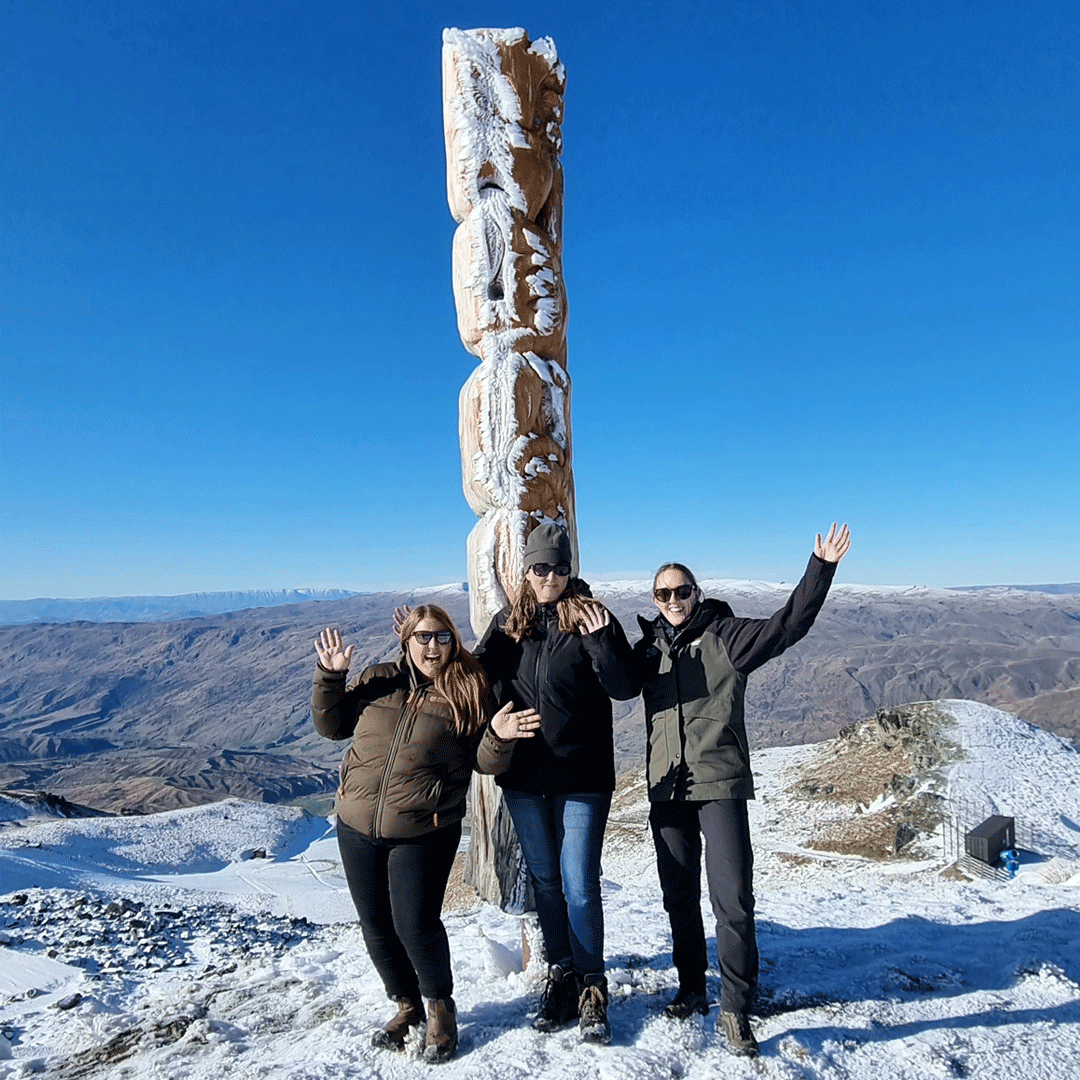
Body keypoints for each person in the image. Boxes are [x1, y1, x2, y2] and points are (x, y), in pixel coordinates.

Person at [632, 523, 851, 1058]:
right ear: (655, 600)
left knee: (732, 900)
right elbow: (610, 678)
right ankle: (691, 988)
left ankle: (735, 1007)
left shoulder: (726, 637)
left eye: (682, 591)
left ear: (697, 594)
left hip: (720, 785)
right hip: (668, 792)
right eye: (664, 593)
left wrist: (820, 568)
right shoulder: (648, 650)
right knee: (678, 898)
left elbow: (788, 625)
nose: (674, 600)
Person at [312, 605, 540, 1064]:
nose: (432, 647)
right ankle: (406, 1005)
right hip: (356, 823)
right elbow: (332, 727)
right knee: (375, 926)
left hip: (424, 828)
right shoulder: (379, 679)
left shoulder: (468, 690)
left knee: (414, 924)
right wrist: (330, 678)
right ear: (406, 641)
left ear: (453, 642)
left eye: (441, 638)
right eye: (422, 637)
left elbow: (485, 762)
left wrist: (499, 736)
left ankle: (440, 1008)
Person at [472, 522, 638, 1044]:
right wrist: (423, 648)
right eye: (541, 568)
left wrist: (601, 642)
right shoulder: (508, 624)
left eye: (560, 569)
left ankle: (592, 985)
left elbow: (625, 685)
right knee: (545, 881)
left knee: (578, 883)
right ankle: (562, 973)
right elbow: (474, 678)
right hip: (524, 778)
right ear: (526, 571)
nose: (550, 578)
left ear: (571, 571)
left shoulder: (591, 617)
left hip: (582, 777)